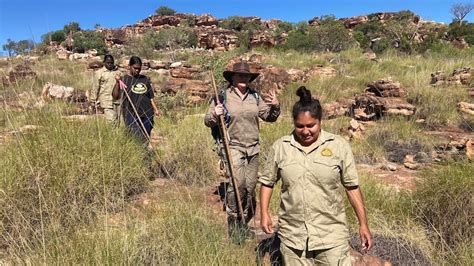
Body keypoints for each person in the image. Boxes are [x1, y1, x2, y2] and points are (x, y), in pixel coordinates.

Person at [259, 86, 372, 265]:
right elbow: (267, 182)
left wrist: (363, 224)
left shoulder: (339, 146)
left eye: (311, 125)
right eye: (300, 126)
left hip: (331, 237)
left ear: (320, 121)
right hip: (293, 238)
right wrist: (264, 213)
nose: (306, 131)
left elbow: (351, 187)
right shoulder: (281, 147)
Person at [204, 61, 281, 243]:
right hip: (233, 146)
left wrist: (275, 106)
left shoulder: (255, 97)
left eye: (246, 76)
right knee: (237, 184)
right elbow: (208, 121)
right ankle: (234, 222)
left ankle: (244, 218)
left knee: (250, 186)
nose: (243, 78)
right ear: (232, 77)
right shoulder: (222, 96)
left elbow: (269, 117)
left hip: (253, 147)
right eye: (239, 75)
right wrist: (215, 113)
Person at [112, 56, 160, 142]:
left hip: (147, 113)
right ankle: (136, 153)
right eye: (135, 68)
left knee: (145, 137)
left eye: (139, 68)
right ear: (129, 66)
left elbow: (151, 97)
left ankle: (144, 153)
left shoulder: (145, 79)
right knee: (135, 136)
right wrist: (117, 82)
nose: (137, 70)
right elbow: (115, 96)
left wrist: (156, 110)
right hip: (131, 113)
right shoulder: (125, 79)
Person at [90, 54, 121, 125]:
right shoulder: (99, 73)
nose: (110, 64)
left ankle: (116, 135)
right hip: (106, 100)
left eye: (111, 63)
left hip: (117, 100)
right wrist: (93, 100)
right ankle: (112, 134)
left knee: (117, 121)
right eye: (108, 63)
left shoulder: (118, 72)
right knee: (111, 120)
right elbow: (95, 87)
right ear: (104, 62)